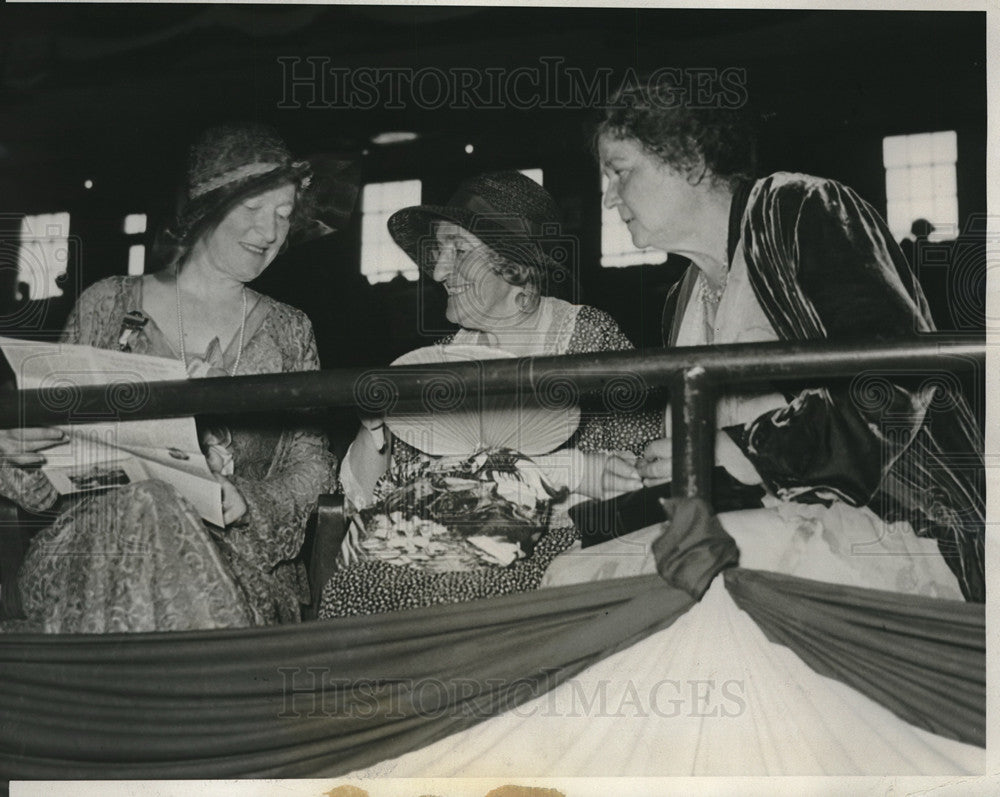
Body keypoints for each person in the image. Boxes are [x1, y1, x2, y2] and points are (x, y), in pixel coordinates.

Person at [590, 78, 983, 602]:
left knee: (653, 577)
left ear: (691, 162)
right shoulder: (681, 297)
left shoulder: (799, 209)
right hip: (762, 521)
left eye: (620, 172)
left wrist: (734, 448)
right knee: (589, 567)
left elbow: (891, 382)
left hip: (897, 520)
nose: (610, 196)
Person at [0, 123, 358, 632]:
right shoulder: (108, 303)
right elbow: (48, 452)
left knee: (156, 505)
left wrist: (247, 501)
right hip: (93, 548)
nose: (270, 232)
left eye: (283, 215)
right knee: (147, 503)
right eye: (252, 209)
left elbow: (314, 469)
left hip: (234, 561)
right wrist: (17, 444)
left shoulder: (289, 329)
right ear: (205, 209)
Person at [320, 171, 660, 617]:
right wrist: (375, 429)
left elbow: (644, 474)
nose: (439, 270)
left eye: (459, 251)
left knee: (446, 596)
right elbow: (368, 499)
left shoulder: (587, 341)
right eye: (440, 252)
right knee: (358, 584)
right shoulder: (437, 361)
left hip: (555, 552)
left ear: (515, 265)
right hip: (434, 549)